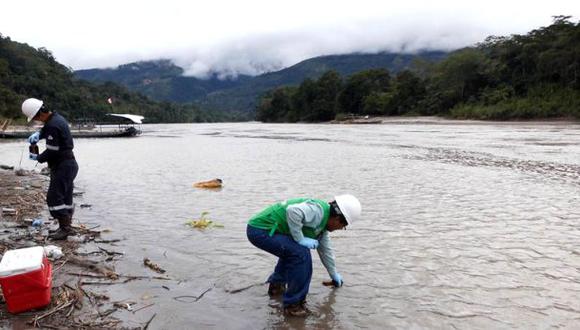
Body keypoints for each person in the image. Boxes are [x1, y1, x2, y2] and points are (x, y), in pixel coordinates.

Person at [246, 194, 361, 316]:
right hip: (259, 230)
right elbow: (293, 211)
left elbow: (325, 251)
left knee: (293, 251)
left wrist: (333, 273)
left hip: (265, 230)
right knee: (300, 253)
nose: (340, 228)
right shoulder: (318, 211)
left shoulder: (322, 226)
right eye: (343, 226)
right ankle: (293, 306)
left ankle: (276, 288)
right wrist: (300, 238)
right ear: (337, 219)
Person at [22, 98, 79, 240]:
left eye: (35, 118)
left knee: (54, 198)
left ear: (38, 114)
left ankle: (65, 228)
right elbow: (47, 129)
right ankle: (66, 227)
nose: (37, 121)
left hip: (63, 165)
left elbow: (52, 151)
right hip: (68, 165)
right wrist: (39, 135)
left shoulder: (53, 125)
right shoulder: (56, 118)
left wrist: (38, 158)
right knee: (65, 196)